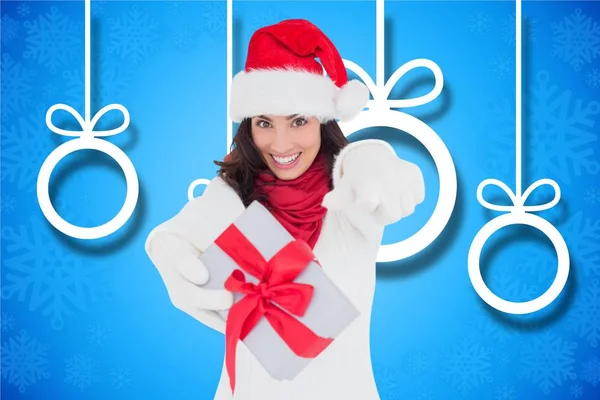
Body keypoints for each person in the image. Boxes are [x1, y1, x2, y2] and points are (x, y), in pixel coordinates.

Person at [145, 19, 425, 400]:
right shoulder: (233, 195)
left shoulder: (346, 196)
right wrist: (163, 249)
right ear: (248, 126)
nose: (280, 143)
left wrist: (373, 158)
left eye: (298, 120)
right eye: (264, 122)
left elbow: (362, 165)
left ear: (322, 122)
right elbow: (177, 233)